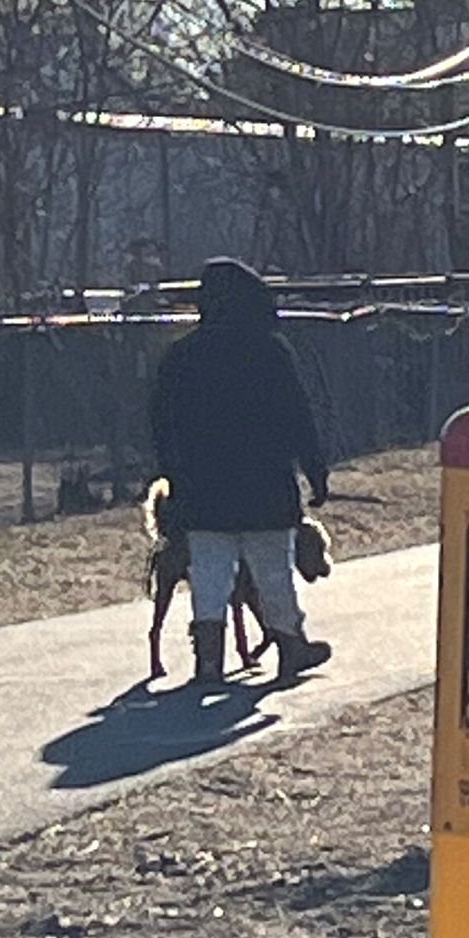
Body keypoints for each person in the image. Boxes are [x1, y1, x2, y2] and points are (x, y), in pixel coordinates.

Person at [149, 257, 332, 684]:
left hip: (202, 491)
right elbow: (297, 415)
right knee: (273, 572)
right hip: (264, 487)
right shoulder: (269, 351)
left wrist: (172, 474)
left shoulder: (181, 357)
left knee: (210, 575)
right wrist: (315, 470)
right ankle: (290, 647)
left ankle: (208, 660)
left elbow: (161, 423)